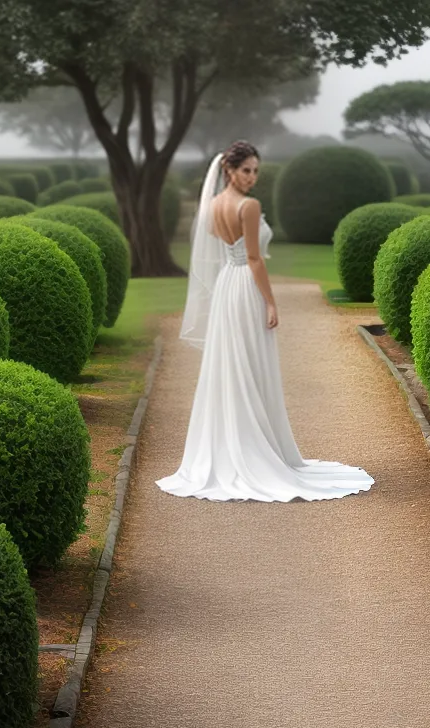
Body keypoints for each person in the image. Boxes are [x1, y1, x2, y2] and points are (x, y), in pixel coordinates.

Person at [155, 140, 375, 502]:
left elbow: (219, 242)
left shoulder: (212, 205)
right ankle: (255, 449)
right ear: (229, 170)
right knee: (251, 363)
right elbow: (255, 259)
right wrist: (270, 303)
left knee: (231, 363)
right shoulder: (249, 206)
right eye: (246, 170)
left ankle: (231, 445)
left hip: (227, 283)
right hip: (244, 285)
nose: (252, 177)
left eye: (256, 171)